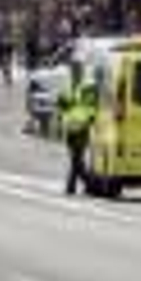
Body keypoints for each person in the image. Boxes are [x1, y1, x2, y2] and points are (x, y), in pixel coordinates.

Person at [58, 65, 98, 195]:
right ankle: (90, 184)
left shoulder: (87, 88)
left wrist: (90, 120)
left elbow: (92, 106)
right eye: (74, 71)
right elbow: (61, 104)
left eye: (78, 71)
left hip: (82, 127)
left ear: (82, 72)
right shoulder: (67, 87)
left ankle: (72, 186)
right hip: (70, 128)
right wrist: (61, 118)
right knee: (76, 160)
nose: (75, 74)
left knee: (76, 158)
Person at [0, 10, 15, 86]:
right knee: (3, 62)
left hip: (2, 44)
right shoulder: (6, 22)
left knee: (0, 62)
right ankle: (4, 77)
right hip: (3, 44)